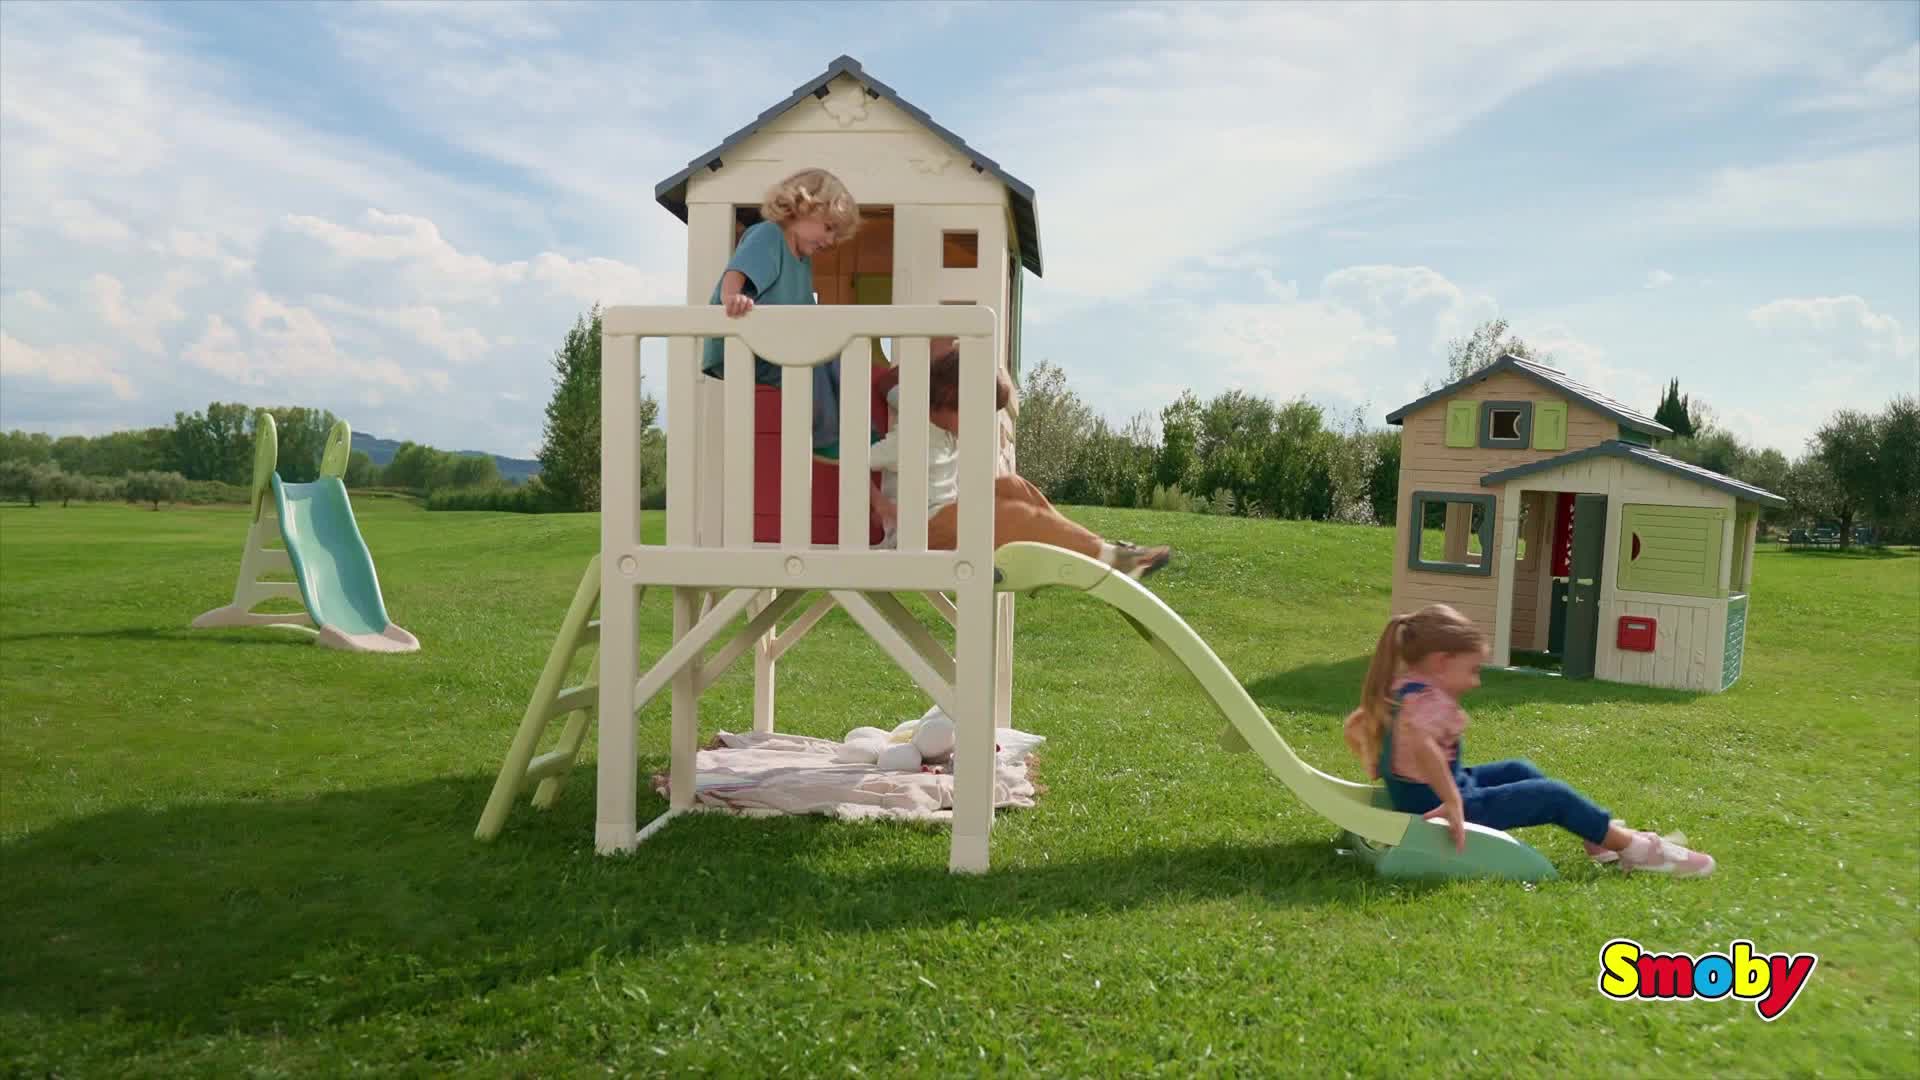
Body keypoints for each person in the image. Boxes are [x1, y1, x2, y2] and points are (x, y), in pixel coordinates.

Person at [1342, 603, 1715, 877]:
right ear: (1441, 662)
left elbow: (1356, 726)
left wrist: (1378, 765)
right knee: (1552, 795)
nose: (1476, 681)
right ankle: (1636, 850)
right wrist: (1453, 802)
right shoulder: (1430, 702)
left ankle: (1599, 837)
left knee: (1518, 769)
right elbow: (1424, 747)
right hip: (1442, 804)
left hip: (1436, 791)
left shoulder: (1404, 688)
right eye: (1472, 670)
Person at [870, 340, 1172, 579]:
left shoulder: (939, 425)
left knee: (1012, 486)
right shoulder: (911, 436)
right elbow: (852, 462)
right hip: (920, 534)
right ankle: (1107, 556)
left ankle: (1101, 549)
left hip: (943, 519)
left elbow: (892, 385)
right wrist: (881, 505)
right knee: (1005, 513)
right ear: (950, 396)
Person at [703, 167, 860, 453]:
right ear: (799, 208)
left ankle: (859, 429)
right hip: (744, 344)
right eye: (828, 228)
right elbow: (735, 273)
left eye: (835, 234)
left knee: (838, 352)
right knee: (811, 362)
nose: (830, 241)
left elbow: (804, 310)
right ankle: (825, 438)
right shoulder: (770, 235)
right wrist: (732, 298)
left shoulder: (802, 259)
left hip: (772, 343)